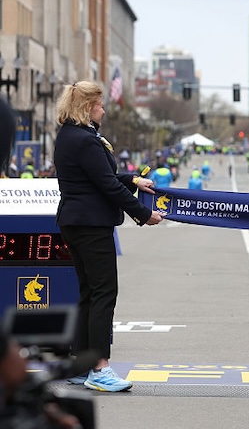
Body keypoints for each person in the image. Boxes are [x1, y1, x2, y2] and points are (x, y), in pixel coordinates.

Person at [54, 81, 165, 392]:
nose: (103, 109)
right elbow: (107, 186)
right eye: (99, 105)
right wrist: (144, 215)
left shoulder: (69, 135)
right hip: (91, 225)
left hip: (74, 222)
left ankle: (80, 364)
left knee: (89, 293)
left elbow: (101, 178)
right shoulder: (86, 140)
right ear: (87, 107)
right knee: (104, 293)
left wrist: (133, 179)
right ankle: (100, 368)